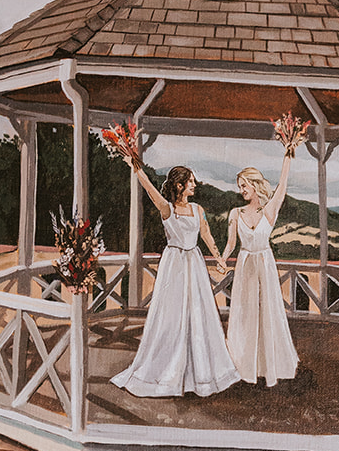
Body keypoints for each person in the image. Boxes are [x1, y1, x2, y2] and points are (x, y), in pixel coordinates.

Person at [111, 163, 239, 398]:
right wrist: (135, 167)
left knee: (198, 314)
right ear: (179, 185)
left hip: (194, 264)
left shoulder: (197, 209)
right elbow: (149, 188)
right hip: (174, 265)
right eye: (190, 181)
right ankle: (167, 369)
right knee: (171, 315)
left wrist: (219, 259)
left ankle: (199, 372)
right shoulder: (167, 208)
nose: (194, 185)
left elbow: (206, 236)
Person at [222, 150, 299, 387]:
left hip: (265, 265)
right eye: (240, 186)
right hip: (245, 266)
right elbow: (231, 244)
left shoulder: (269, 210)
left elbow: (282, 185)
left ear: (255, 185)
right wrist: (223, 260)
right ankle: (242, 364)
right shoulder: (235, 213)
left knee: (267, 311)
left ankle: (267, 365)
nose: (241, 190)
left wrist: (288, 155)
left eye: (244, 185)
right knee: (244, 314)